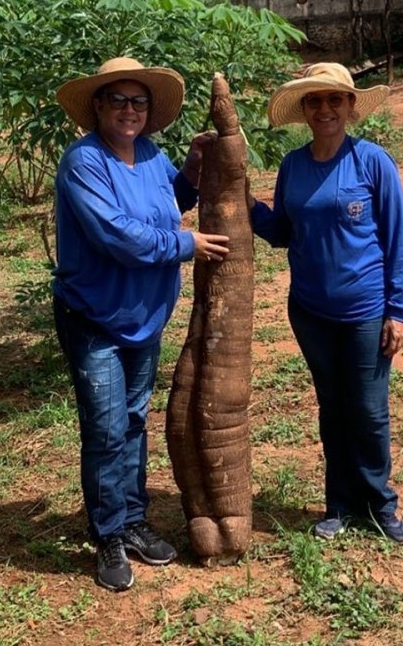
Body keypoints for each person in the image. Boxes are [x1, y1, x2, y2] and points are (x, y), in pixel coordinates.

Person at [52, 57, 230, 591]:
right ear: (98, 106)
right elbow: (118, 236)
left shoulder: (151, 155)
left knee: (133, 420)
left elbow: (167, 205)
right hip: (94, 317)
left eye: (139, 101)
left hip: (143, 318)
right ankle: (108, 533)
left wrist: (192, 169)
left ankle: (132, 519)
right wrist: (187, 245)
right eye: (118, 100)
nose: (129, 110)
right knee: (106, 429)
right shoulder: (84, 162)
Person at [247, 62, 403, 543]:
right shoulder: (293, 166)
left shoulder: (372, 162)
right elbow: (283, 231)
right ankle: (339, 505)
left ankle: (379, 505)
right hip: (310, 312)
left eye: (334, 99)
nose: (325, 109)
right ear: (304, 110)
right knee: (332, 408)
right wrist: (247, 204)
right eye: (315, 100)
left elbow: (398, 239)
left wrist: (398, 311)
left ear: (350, 105)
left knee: (368, 411)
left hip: (365, 312)